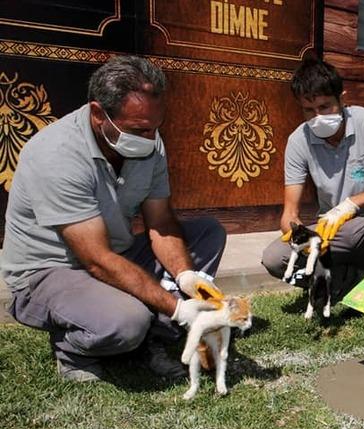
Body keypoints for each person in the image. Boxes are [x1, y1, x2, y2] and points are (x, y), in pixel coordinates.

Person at [1, 56, 226, 383]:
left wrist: (187, 275)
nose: (151, 139)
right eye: (139, 130)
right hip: (52, 270)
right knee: (126, 321)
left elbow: (161, 223)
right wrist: (177, 308)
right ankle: (73, 347)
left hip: (111, 253)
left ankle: (156, 335)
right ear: (97, 113)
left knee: (207, 233)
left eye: (154, 127)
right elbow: (96, 261)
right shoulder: (57, 154)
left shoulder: (146, 140)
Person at [261, 57, 364, 299]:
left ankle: (358, 277)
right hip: (335, 231)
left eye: (325, 107)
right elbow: (289, 215)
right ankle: (353, 280)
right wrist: (300, 238)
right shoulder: (298, 141)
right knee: (275, 258)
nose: (318, 117)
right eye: (308, 110)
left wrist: (352, 203)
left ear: (342, 99)